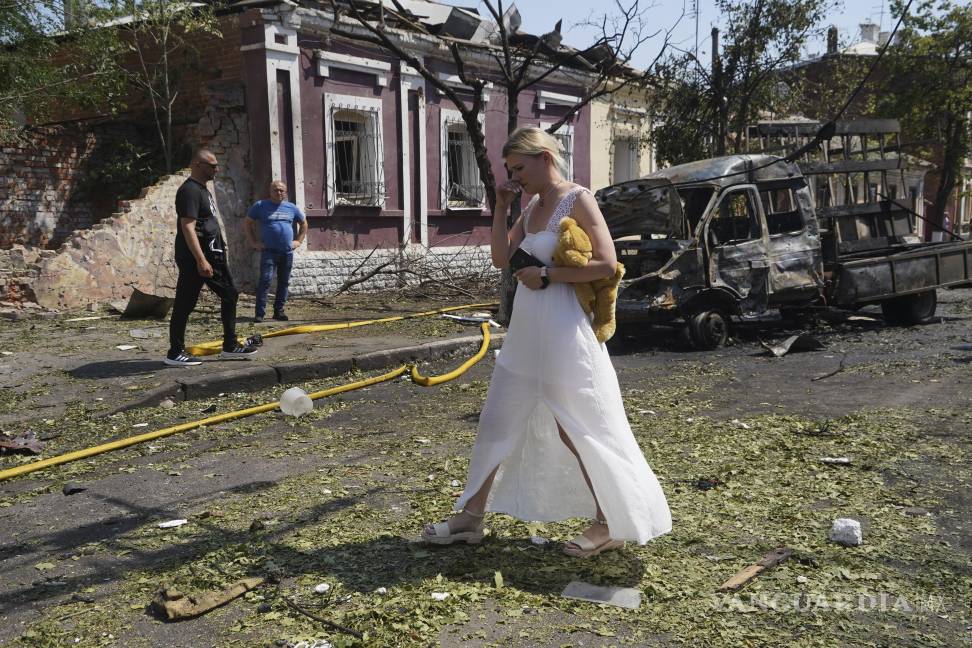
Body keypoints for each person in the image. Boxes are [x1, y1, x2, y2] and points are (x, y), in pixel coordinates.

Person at [421, 127, 671, 557]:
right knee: (497, 420)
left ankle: (609, 521)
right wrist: (500, 209)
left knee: (579, 427)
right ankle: (470, 518)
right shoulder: (532, 205)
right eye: (510, 171)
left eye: (520, 168)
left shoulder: (578, 198)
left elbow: (607, 263)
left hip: (564, 331)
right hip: (526, 331)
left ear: (544, 158)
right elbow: (502, 258)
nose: (515, 177)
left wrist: (549, 275)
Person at [165, 149, 258, 366]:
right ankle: (175, 352)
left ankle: (230, 346)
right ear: (197, 164)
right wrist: (200, 260)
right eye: (212, 165)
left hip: (211, 257)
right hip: (197, 259)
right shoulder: (189, 190)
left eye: (216, 165)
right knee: (185, 304)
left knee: (229, 295)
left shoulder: (203, 190)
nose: (216, 169)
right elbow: (187, 227)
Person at [245, 180, 306, 322]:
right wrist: (253, 242)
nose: (279, 193)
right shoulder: (260, 206)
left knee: (284, 282)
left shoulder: (291, 207)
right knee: (265, 280)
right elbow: (247, 223)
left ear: (285, 192)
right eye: (276, 190)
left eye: (282, 190)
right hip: (269, 252)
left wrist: (298, 241)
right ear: (270, 191)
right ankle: (260, 314)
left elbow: (304, 223)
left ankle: (279, 311)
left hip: (287, 252)